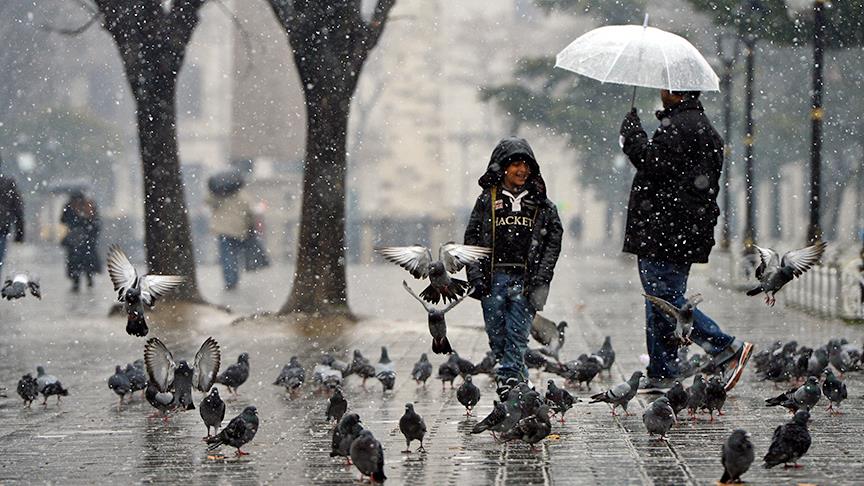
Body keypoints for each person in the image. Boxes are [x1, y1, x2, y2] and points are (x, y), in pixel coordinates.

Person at [619, 89, 753, 393]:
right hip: (680, 232)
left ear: (676, 91)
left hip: (664, 231)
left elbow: (653, 164)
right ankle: (662, 370)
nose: (661, 92)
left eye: (665, 87)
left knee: (664, 299)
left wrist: (633, 136)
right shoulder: (699, 126)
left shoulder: (681, 127)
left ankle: (725, 347)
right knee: (659, 301)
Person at [464, 137, 563, 394]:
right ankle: (520, 384)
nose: (522, 170)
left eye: (526, 165)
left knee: (517, 336)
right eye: (516, 164)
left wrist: (542, 276)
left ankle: (509, 384)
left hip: (526, 281)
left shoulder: (541, 203)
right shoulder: (487, 200)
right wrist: (475, 275)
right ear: (503, 167)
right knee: (497, 336)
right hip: (492, 279)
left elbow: (554, 239)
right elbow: (472, 238)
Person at [206, 173, 252, 290]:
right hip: (239, 230)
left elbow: (208, 201)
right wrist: (248, 228)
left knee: (226, 256)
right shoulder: (243, 196)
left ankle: (230, 280)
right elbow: (249, 213)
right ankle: (234, 279)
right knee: (235, 256)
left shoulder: (220, 196)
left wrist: (214, 192)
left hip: (224, 230)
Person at [60, 191, 101, 291]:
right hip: (84, 240)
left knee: (77, 262)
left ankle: (78, 281)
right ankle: (86, 280)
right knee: (85, 261)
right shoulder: (87, 205)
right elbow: (96, 222)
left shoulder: (73, 206)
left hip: (78, 240)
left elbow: (63, 220)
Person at [0, 156, 24, 275]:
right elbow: (18, 209)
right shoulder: (8, 183)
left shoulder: (8, 183)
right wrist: (20, 232)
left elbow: (18, 208)